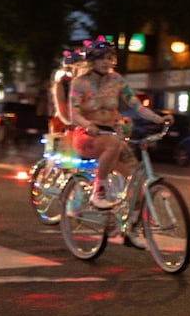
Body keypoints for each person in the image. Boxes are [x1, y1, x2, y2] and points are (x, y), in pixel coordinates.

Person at [69, 38, 169, 209]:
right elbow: (74, 113)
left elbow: (136, 105)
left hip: (111, 135)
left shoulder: (117, 80)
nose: (106, 62)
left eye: (109, 58)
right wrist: (87, 124)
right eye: (101, 58)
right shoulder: (80, 83)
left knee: (136, 176)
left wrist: (159, 119)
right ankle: (98, 192)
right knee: (114, 143)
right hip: (87, 135)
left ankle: (133, 220)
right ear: (91, 60)